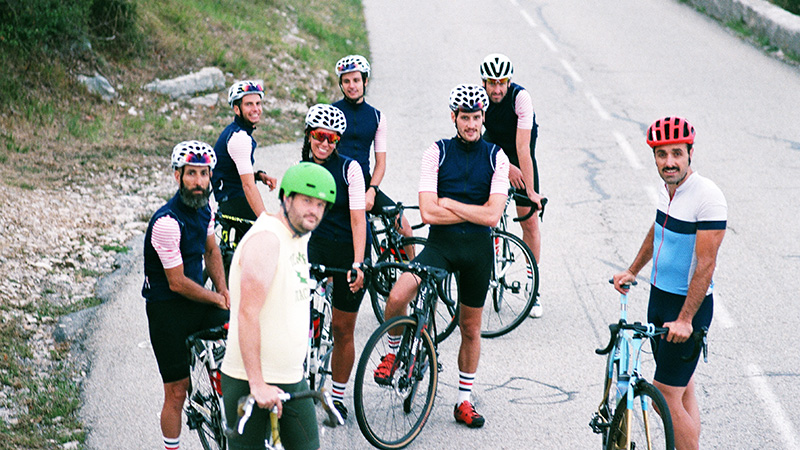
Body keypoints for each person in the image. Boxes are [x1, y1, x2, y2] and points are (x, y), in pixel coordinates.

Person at [377, 84, 509, 428]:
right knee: (398, 293)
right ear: (454, 117)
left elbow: (493, 217)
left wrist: (448, 203)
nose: (471, 124)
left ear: (483, 118)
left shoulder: (497, 157)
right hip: (441, 246)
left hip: (477, 252)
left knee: (470, 328)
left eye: (476, 117)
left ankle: (464, 400)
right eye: (465, 117)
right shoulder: (436, 152)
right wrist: (467, 210)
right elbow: (428, 212)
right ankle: (392, 352)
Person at [612, 116, 726, 450]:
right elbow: (658, 230)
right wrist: (633, 270)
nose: (669, 162)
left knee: (665, 392)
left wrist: (686, 319)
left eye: (677, 153)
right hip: (659, 301)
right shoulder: (669, 191)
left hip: (686, 308)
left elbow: (706, 265)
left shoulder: (707, 196)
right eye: (662, 155)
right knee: (682, 388)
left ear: (690, 153)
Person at [220, 162, 337, 450]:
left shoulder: (298, 236)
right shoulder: (267, 240)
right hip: (250, 380)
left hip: (290, 377)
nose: (314, 210)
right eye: (307, 200)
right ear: (286, 198)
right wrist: (257, 384)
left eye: (321, 204)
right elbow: (247, 314)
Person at [142, 140, 230, 450]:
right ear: (177, 176)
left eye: (204, 174)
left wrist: (223, 289)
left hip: (197, 299)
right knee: (177, 391)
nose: (198, 182)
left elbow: (210, 248)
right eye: (191, 174)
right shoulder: (166, 222)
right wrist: (215, 299)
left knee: (241, 328)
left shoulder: (205, 207)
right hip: (168, 310)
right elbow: (177, 283)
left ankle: (223, 382)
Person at [302, 103, 368, 421]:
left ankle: (338, 397)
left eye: (331, 138)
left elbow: (358, 220)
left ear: (338, 141)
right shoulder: (301, 169)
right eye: (319, 136)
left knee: (342, 329)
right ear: (309, 136)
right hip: (312, 252)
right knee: (298, 323)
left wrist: (358, 263)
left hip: (345, 253)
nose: (324, 144)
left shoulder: (349, 169)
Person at [480, 53, 546, 318]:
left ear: (509, 81)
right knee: (487, 214)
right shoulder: (480, 98)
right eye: (491, 83)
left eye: (502, 82)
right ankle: (492, 266)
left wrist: (530, 192)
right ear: (484, 82)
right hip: (493, 151)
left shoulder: (521, 98)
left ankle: (534, 287)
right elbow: (474, 138)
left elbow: (523, 147)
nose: (497, 89)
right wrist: (504, 166)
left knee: (529, 221)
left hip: (521, 154)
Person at [332, 55, 414, 252]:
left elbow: (381, 164)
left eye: (356, 80)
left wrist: (372, 191)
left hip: (366, 185)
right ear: (341, 84)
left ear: (365, 81)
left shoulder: (377, 117)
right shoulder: (331, 112)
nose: (352, 86)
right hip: (337, 185)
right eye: (346, 81)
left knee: (406, 228)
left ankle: (415, 278)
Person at [211, 80, 278, 240]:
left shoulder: (234, 132)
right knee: (267, 241)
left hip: (228, 200)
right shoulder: (240, 138)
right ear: (237, 109)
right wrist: (264, 219)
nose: (256, 109)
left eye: (258, 103)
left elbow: (232, 170)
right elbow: (248, 186)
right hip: (235, 201)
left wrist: (259, 176)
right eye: (249, 104)